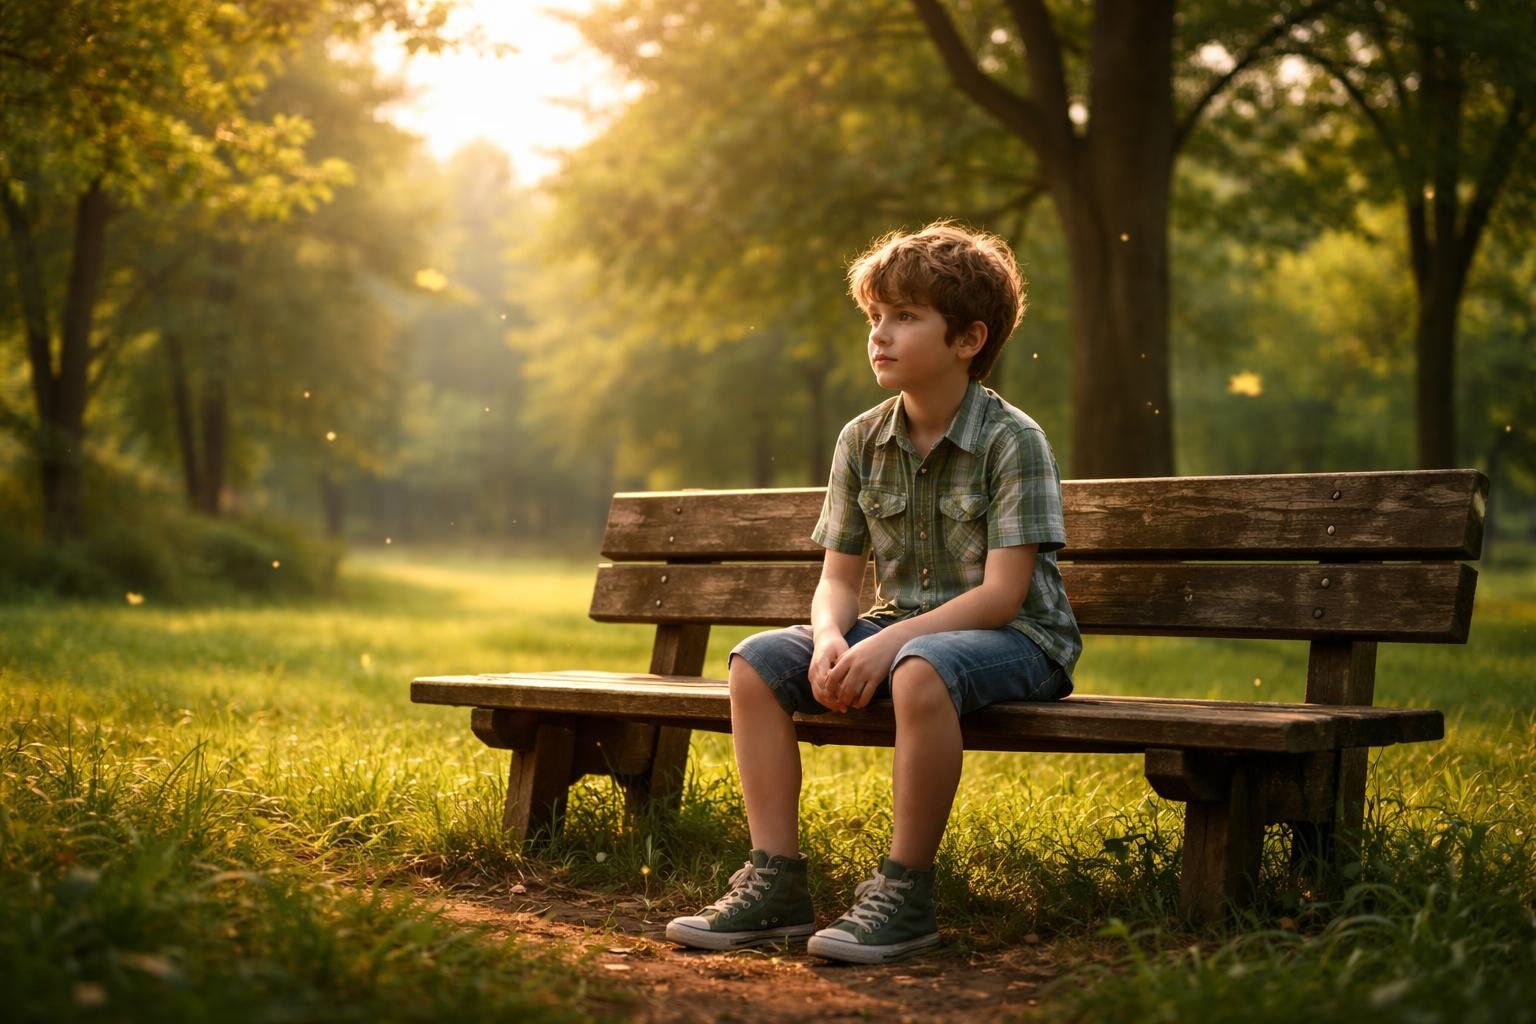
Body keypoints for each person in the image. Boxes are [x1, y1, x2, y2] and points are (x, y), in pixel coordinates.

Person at [665, 221, 1082, 964]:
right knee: (756, 663)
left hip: (1021, 642)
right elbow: (837, 578)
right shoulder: (862, 439)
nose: (880, 335)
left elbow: (1003, 596)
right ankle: (776, 883)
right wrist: (830, 638)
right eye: (875, 317)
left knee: (921, 668)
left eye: (905, 316)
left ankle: (904, 894)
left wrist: (889, 643)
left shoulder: (1012, 440)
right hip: (901, 633)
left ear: (968, 339)